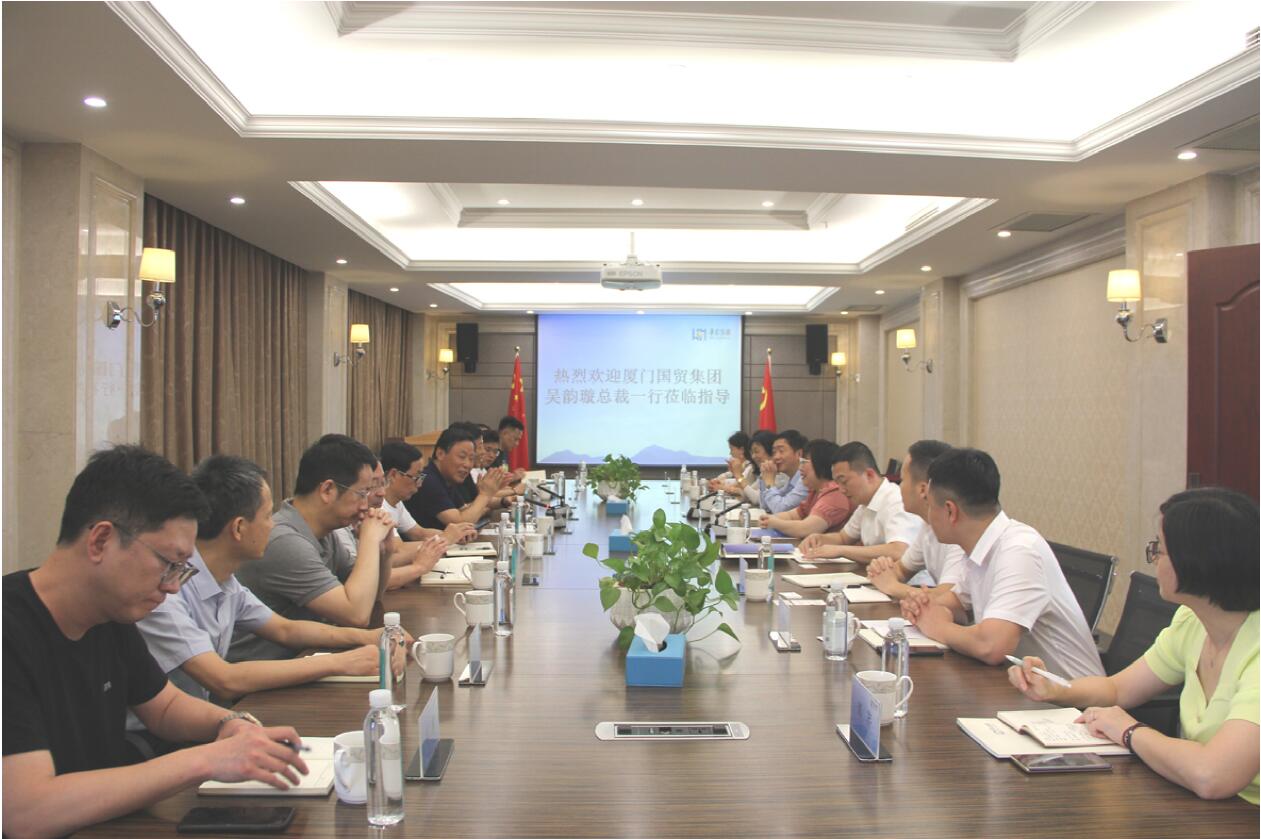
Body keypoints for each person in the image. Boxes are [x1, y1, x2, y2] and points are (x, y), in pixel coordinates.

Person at [3, 446, 310, 839]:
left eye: (181, 569)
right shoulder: (11, 630)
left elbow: (163, 706)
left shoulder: (110, 614)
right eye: (168, 563)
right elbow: (26, 812)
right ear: (100, 540)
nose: (172, 587)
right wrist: (206, 761)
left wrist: (230, 724)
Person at [1008, 487, 1259, 802]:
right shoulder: (1192, 622)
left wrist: (1129, 731)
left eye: (1160, 550)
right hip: (1199, 804)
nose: (1153, 559)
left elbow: (1213, 776)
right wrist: (1056, 689)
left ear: (1197, 562)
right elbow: (1118, 689)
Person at [135, 455, 403, 707]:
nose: (272, 525)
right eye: (266, 516)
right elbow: (224, 680)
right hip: (158, 732)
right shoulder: (168, 591)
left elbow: (285, 630)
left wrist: (369, 637)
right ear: (239, 528)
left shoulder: (225, 580)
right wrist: (341, 662)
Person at [901, 448, 1103, 678]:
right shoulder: (979, 546)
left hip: (1071, 696)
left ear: (950, 511)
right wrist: (922, 606)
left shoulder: (1019, 550)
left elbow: (991, 646)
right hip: (1021, 687)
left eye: (929, 505)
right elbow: (957, 602)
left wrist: (938, 626)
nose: (928, 515)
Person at [231, 435, 396, 661]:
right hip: (264, 674)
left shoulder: (326, 534)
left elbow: (371, 597)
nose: (366, 505)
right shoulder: (283, 541)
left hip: (303, 658)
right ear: (327, 490)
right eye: (361, 493)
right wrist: (368, 540)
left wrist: (384, 552)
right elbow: (356, 614)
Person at [867, 440, 967, 601]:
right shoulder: (929, 525)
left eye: (902, 480)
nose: (899, 487)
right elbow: (901, 570)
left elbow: (948, 597)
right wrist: (882, 569)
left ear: (922, 490)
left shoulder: (959, 530)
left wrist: (892, 587)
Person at [800, 441, 921, 566]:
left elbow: (899, 551)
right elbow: (843, 538)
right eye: (838, 483)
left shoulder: (896, 501)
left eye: (844, 482)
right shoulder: (865, 503)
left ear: (869, 475)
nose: (841, 490)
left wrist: (841, 551)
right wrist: (820, 538)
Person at [377, 441, 474, 589]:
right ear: (394, 475)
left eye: (421, 477)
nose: (420, 484)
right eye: (416, 477)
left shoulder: (397, 502)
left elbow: (418, 532)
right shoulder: (379, 505)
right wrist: (445, 539)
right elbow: (397, 550)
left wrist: (455, 534)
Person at [406, 426, 506, 530]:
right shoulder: (427, 479)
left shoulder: (447, 478)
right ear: (440, 454)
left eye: (471, 458)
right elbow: (460, 522)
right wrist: (485, 494)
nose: (467, 464)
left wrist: (492, 496)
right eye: (462, 457)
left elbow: (463, 510)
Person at [760, 439, 851, 537]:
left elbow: (805, 529)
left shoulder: (835, 494)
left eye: (804, 462)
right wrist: (768, 518)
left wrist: (774, 522)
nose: (800, 468)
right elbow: (792, 515)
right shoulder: (815, 490)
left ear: (820, 463)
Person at [755, 429, 810, 514]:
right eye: (774, 452)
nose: (776, 457)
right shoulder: (789, 477)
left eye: (781, 451)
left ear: (798, 454)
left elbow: (780, 509)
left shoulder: (807, 477)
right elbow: (766, 507)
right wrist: (764, 478)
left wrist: (769, 482)